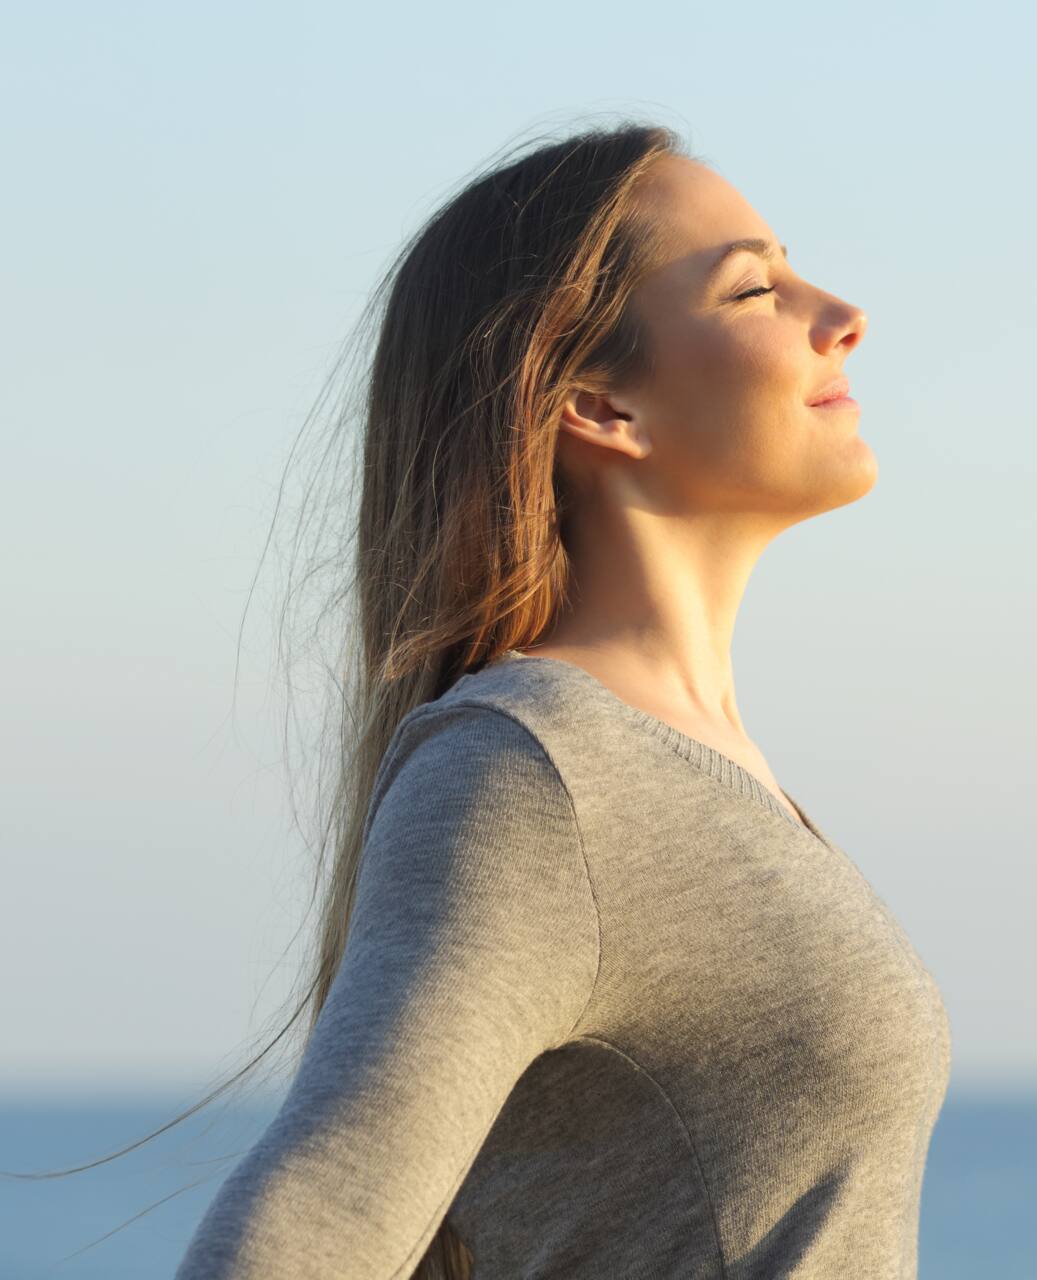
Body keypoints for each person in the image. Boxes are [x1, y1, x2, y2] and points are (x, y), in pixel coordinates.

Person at [170, 121, 952, 1278]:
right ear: (596, 403)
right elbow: (307, 1226)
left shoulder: (684, 765)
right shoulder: (531, 771)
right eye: (755, 289)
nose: (843, 313)